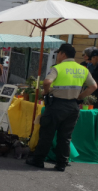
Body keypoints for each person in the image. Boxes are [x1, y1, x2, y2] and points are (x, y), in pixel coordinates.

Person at [26, 44, 97, 172]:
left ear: (63, 54)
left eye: (58, 53)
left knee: (47, 134)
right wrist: (80, 97)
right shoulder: (83, 69)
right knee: (65, 137)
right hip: (73, 107)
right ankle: (61, 164)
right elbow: (93, 87)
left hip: (56, 106)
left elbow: (47, 82)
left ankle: (38, 161)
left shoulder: (57, 68)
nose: (58, 56)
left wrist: (46, 92)